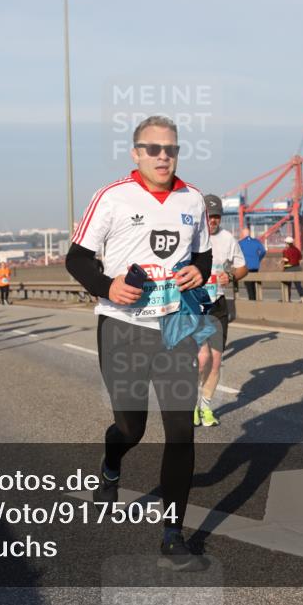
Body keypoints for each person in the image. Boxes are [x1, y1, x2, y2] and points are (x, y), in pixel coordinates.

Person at [65, 115, 212, 571]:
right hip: (123, 327)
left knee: (181, 431)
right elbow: (76, 258)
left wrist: (199, 271)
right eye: (153, 149)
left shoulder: (193, 199)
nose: (162, 156)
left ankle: (173, 535)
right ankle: (111, 466)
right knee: (131, 429)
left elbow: (203, 254)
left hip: (175, 326)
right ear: (136, 153)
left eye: (170, 149)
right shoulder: (112, 197)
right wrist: (107, 286)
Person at [196, 194, 247, 428]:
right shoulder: (192, 238)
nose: (213, 220)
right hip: (195, 305)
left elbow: (242, 267)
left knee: (215, 362)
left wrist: (231, 276)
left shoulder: (227, 239)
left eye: (217, 216)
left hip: (217, 304)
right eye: (209, 216)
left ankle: (205, 407)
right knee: (202, 358)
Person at [237, 228, 266, 301]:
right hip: (255, 267)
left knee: (249, 287)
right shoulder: (256, 241)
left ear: (243, 234)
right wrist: (258, 259)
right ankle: (256, 300)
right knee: (254, 285)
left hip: (247, 267)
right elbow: (263, 251)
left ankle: (252, 302)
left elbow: (237, 254)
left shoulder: (240, 243)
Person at [281, 236, 303, 303]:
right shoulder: (297, 250)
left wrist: (281, 260)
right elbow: (300, 259)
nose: (285, 244)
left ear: (287, 243)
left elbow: (286, 259)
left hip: (289, 269)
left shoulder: (286, 250)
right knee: (298, 285)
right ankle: (302, 299)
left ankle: (287, 299)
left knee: (287, 285)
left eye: (285, 243)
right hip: (297, 268)